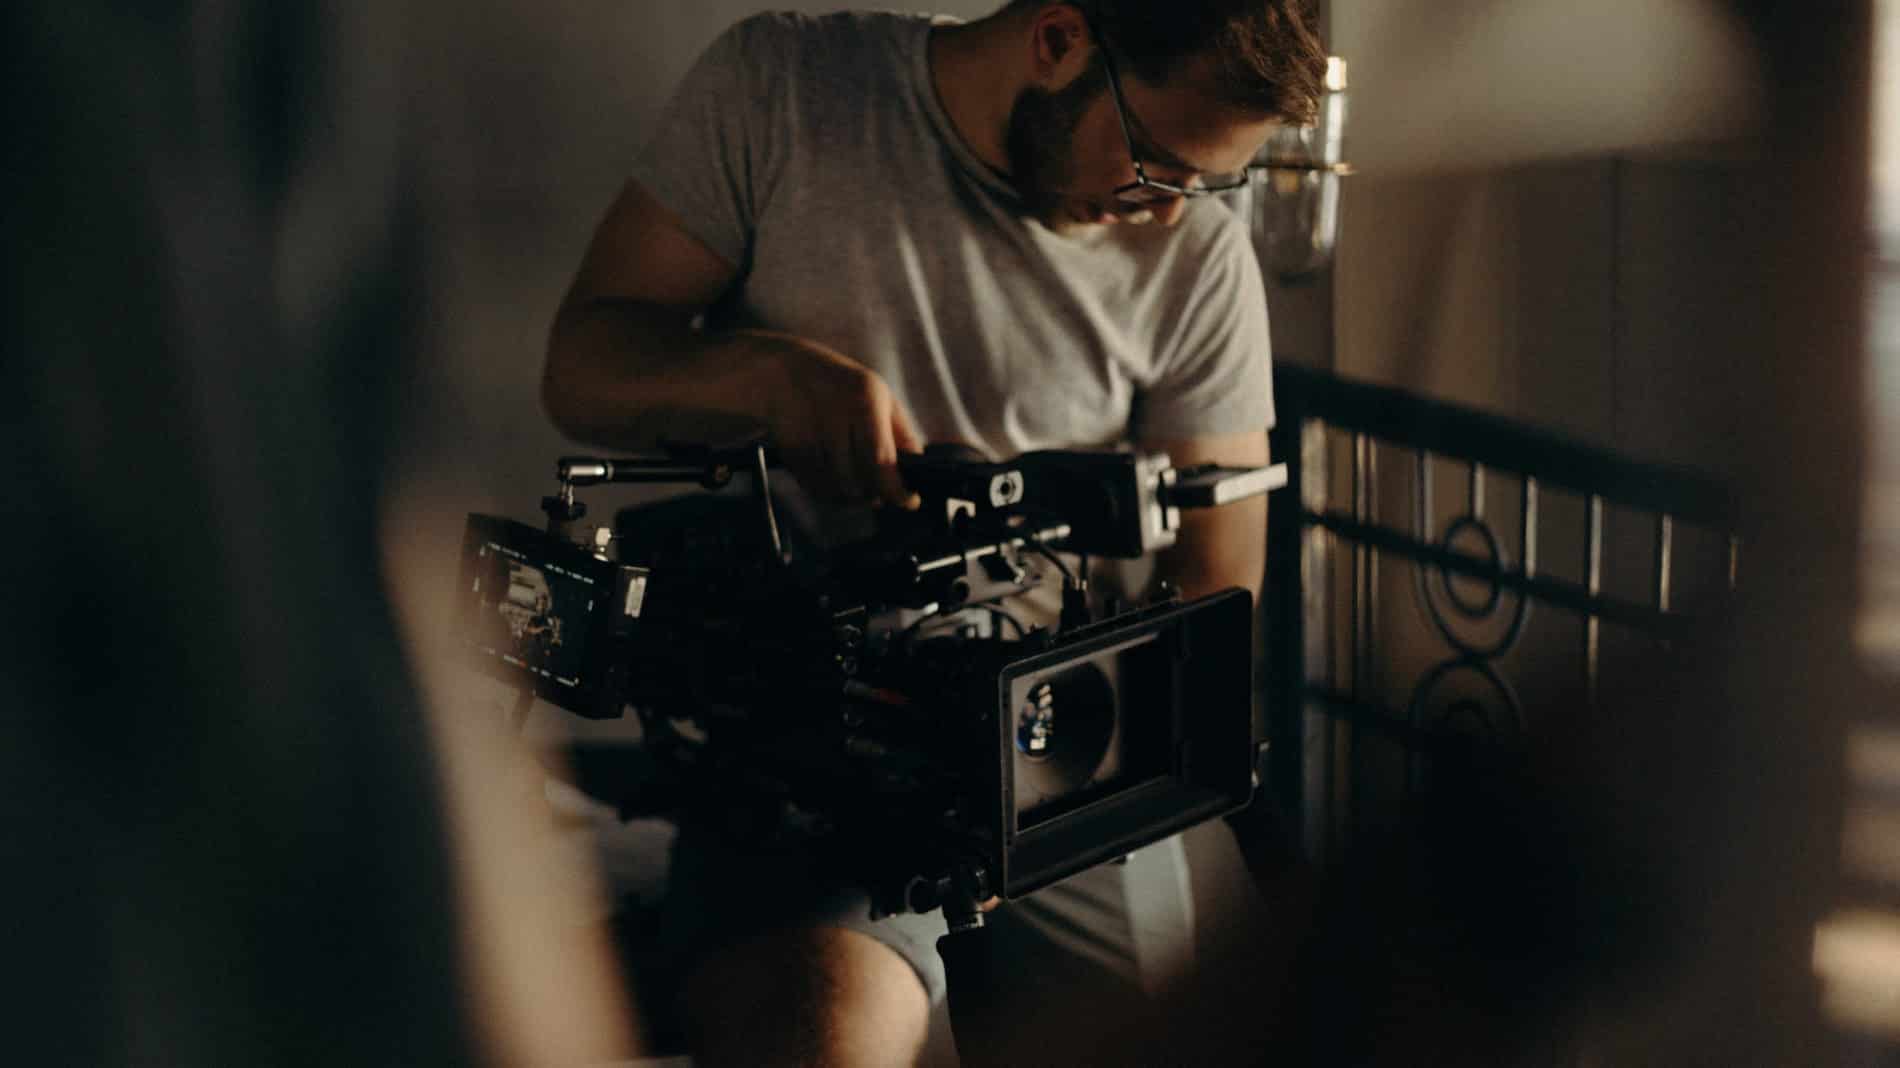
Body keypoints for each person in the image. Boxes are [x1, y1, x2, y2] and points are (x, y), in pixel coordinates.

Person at [542, 1, 1326, 1063]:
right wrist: (769, 376)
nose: (1166, 213)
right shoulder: (785, 90)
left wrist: (1039, 798)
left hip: (1063, 742)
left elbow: (1215, 592)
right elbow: (581, 368)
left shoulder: (1199, 259)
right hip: (810, 739)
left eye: (1205, 187)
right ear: (1060, 39)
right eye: (1158, 166)